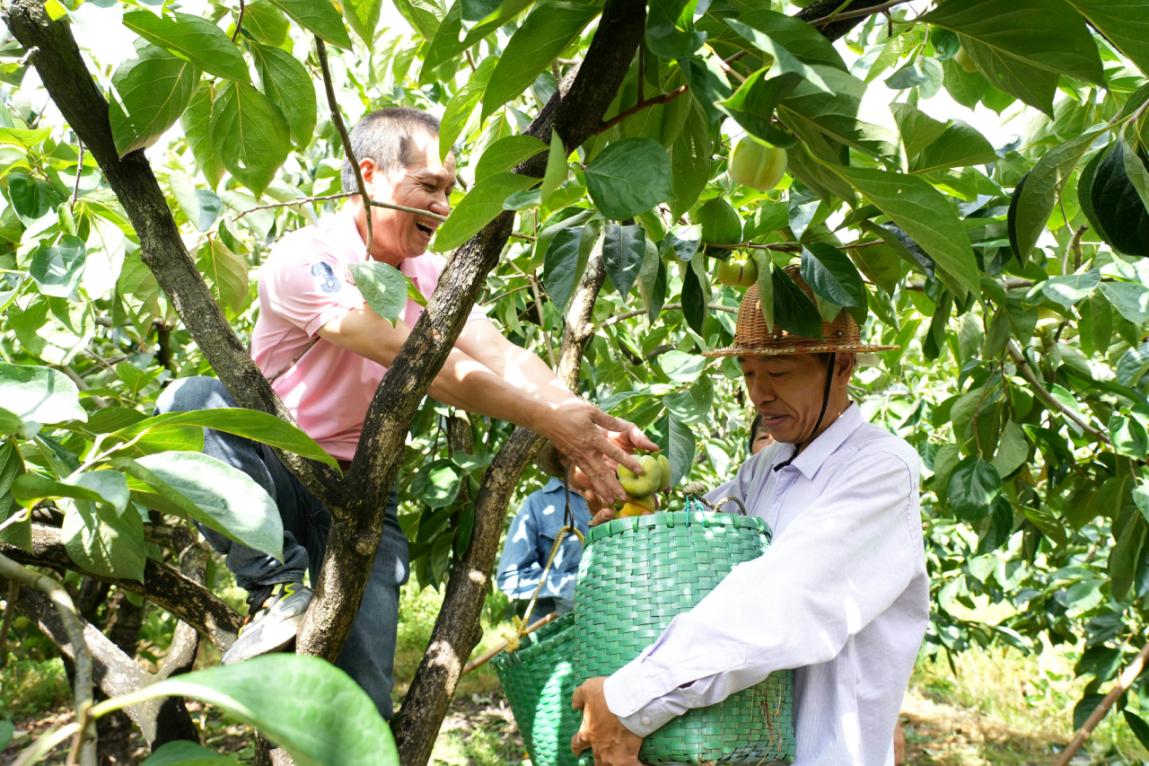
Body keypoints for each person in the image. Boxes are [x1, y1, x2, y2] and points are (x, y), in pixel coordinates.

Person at [157, 107, 655, 719]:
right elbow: (418, 362)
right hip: (278, 466)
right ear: (369, 175)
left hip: (363, 489)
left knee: (362, 703)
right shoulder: (306, 258)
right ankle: (275, 586)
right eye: (428, 185)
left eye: (450, 188)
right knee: (190, 401)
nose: (446, 205)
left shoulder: (431, 271)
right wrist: (551, 424)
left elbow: (499, 352)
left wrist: (587, 426)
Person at [570, 266, 928, 765]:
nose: (759, 393)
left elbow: (781, 601)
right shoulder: (765, 468)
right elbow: (700, 553)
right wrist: (632, 506)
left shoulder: (879, 469)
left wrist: (633, 698)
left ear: (842, 366)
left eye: (778, 373)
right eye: (749, 372)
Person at [496, 446, 591, 625]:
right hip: (558, 635)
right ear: (563, 456)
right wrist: (570, 588)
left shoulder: (617, 500)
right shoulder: (538, 504)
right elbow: (510, 577)